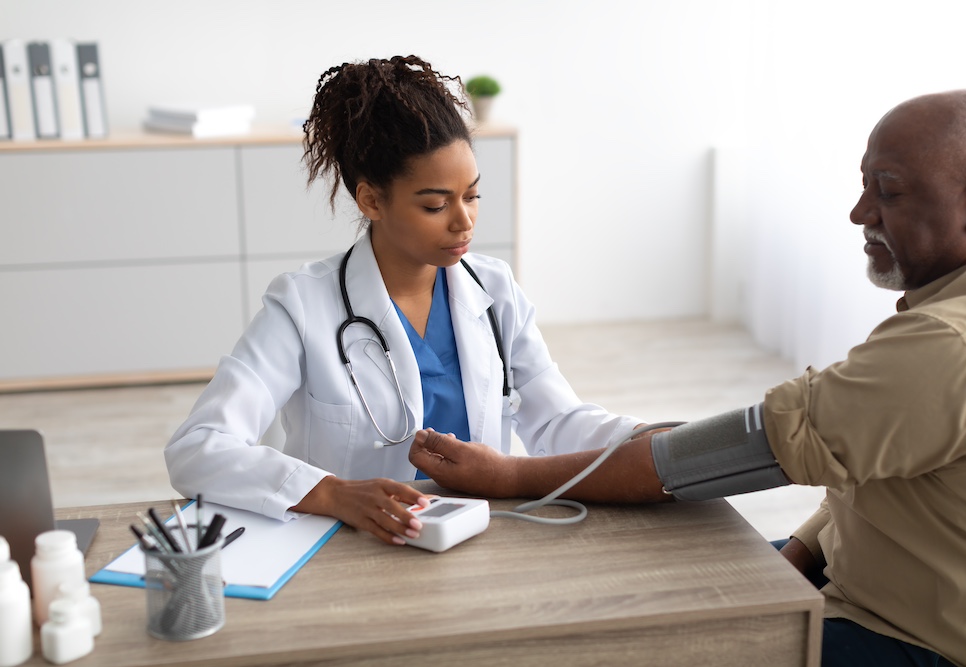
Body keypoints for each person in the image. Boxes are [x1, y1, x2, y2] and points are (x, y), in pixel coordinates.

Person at [409, 89, 966, 667]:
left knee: (631, 631)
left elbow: (740, 450)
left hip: (917, 637)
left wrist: (511, 474)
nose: (859, 212)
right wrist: (798, 552)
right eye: (863, 184)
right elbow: (868, 466)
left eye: (889, 191)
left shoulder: (952, 341)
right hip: (870, 580)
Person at [164, 55, 642, 547]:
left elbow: (559, 421)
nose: (464, 222)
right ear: (371, 201)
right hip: (349, 552)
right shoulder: (302, 305)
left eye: (472, 196)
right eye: (435, 205)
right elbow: (198, 448)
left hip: (477, 542)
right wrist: (331, 493)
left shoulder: (495, 292)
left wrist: (653, 440)